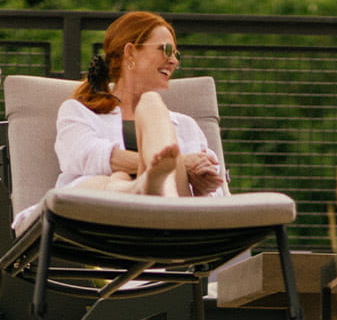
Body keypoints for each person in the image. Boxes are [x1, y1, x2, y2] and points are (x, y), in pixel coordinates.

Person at [54, 10, 224, 200]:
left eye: (177, 54)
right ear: (130, 52)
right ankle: (142, 187)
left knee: (150, 102)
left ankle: (155, 189)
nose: (174, 60)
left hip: (175, 213)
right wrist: (181, 162)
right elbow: (85, 156)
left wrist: (202, 184)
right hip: (104, 208)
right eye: (166, 50)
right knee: (115, 179)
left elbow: (218, 192)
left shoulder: (186, 126)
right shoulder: (80, 111)